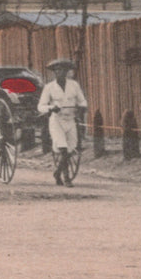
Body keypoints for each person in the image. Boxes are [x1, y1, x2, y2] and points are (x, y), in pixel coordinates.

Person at [36, 58, 87, 186]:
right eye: (58, 70)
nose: (61, 73)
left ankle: (57, 172)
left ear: (67, 72)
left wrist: (82, 106)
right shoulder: (49, 87)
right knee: (63, 148)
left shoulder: (74, 85)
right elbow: (41, 106)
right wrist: (51, 108)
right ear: (54, 73)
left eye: (64, 70)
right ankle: (66, 178)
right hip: (56, 120)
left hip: (70, 120)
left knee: (71, 148)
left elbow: (82, 100)